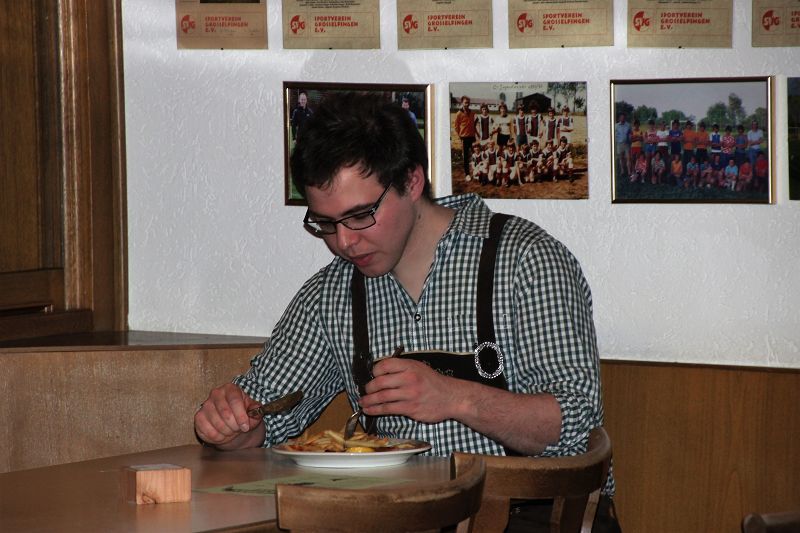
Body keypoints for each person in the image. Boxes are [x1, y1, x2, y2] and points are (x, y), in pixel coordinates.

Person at [194, 93, 618, 530]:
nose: (344, 242)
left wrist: (455, 398)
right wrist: (234, 424)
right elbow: (266, 411)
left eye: (360, 215)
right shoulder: (332, 294)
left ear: (412, 182)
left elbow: (577, 427)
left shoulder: (526, 260)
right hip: (400, 519)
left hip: (537, 520)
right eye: (326, 223)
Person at [453, 96, 477, 179]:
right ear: (462, 103)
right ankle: (467, 174)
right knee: (466, 156)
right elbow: (456, 127)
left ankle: (476, 172)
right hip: (464, 137)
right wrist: (460, 136)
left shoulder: (472, 113)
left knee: (475, 154)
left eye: (468, 102)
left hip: (472, 137)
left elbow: (475, 123)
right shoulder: (459, 113)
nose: (467, 104)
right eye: (465, 102)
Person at [614, 113, 632, 178]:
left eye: (623, 117)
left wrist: (629, 140)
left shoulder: (628, 125)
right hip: (619, 144)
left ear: (625, 118)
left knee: (628, 158)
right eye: (621, 117)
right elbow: (614, 134)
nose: (622, 119)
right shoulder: (616, 126)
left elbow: (630, 133)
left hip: (627, 144)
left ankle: (629, 172)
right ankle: (622, 171)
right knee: (621, 158)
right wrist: (617, 140)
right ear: (619, 118)